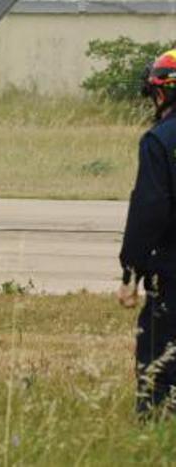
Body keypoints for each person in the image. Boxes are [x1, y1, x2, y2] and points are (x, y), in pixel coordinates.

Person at [120, 48, 176, 416]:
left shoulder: (159, 141)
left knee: (159, 353)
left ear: (162, 93)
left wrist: (131, 271)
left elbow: (149, 210)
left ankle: (158, 420)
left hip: (172, 271)